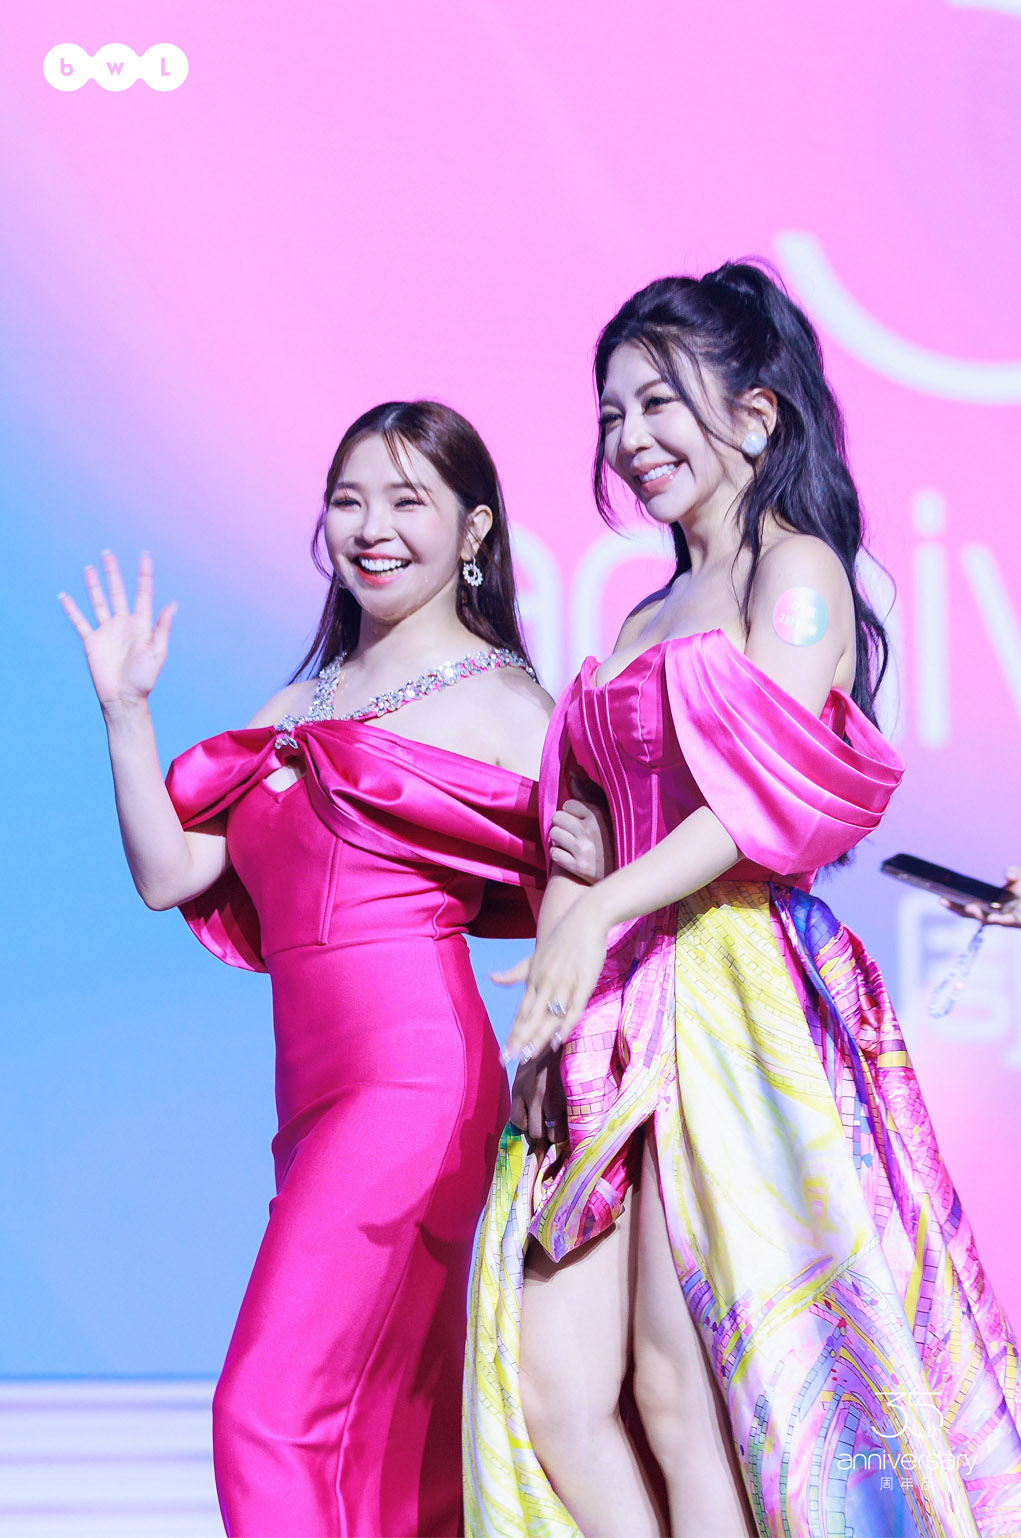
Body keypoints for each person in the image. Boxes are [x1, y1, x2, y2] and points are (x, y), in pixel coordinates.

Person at [464, 269, 1021, 1538]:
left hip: (735, 987)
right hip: (609, 1002)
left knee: (684, 1390)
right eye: (611, 414)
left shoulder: (799, 572)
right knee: (550, 1384)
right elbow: (584, 817)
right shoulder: (642, 609)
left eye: (657, 403)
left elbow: (760, 794)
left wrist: (603, 901)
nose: (629, 439)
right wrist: (568, 934)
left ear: (757, 416)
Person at [59, 400, 599, 1538]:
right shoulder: (300, 701)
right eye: (349, 500)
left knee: (262, 1414)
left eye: (408, 500)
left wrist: (556, 1054)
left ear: (475, 530)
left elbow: (586, 883)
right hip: (309, 1104)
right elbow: (171, 873)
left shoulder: (507, 703)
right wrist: (126, 712)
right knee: (391, 1445)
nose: (371, 527)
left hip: (415, 1092)